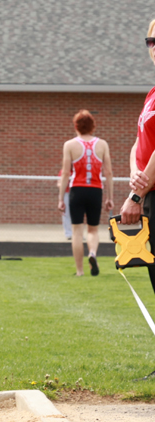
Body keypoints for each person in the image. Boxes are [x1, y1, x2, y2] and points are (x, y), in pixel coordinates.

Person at [58, 110, 113, 277]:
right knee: (93, 230)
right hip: (95, 191)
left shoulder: (69, 145)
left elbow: (66, 173)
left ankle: (80, 271)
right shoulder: (102, 144)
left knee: (76, 231)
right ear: (92, 126)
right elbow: (108, 173)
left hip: (77, 191)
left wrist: (61, 199)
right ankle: (93, 253)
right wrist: (110, 197)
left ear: (76, 126)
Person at [122, 21, 155, 292]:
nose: (153, 47)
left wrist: (136, 195)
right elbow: (138, 142)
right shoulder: (152, 94)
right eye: (150, 41)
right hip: (149, 191)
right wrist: (135, 176)